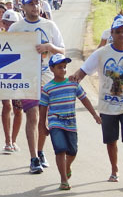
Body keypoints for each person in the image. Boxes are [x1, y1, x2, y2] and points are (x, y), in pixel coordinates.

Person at [69, 15, 123, 188]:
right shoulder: (101, 53)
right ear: (111, 33)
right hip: (107, 105)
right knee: (111, 140)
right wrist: (76, 77)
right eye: (118, 32)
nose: (121, 35)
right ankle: (114, 169)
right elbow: (84, 70)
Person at [8, 0, 65, 174]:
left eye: (37, 3)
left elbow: (62, 51)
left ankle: (40, 151)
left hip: (47, 77)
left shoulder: (49, 25)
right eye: (31, 3)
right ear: (23, 7)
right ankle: (33, 158)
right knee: (32, 115)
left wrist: (49, 47)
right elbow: (6, 53)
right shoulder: (16, 28)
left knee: (43, 117)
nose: (35, 7)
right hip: (26, 78)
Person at [40, 54, 101, 190]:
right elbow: (43, 108)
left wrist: (94, 115)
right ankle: (63, 179)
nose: (63, 70)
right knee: (60, 150)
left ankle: (67, 166)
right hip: (55, 122)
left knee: (72, 151)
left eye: (65, 67)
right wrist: (42, 125)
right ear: (52, 69)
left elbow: (84, 99)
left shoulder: (73, 84)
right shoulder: (47, 88)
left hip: (70, 123)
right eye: (59, 67)